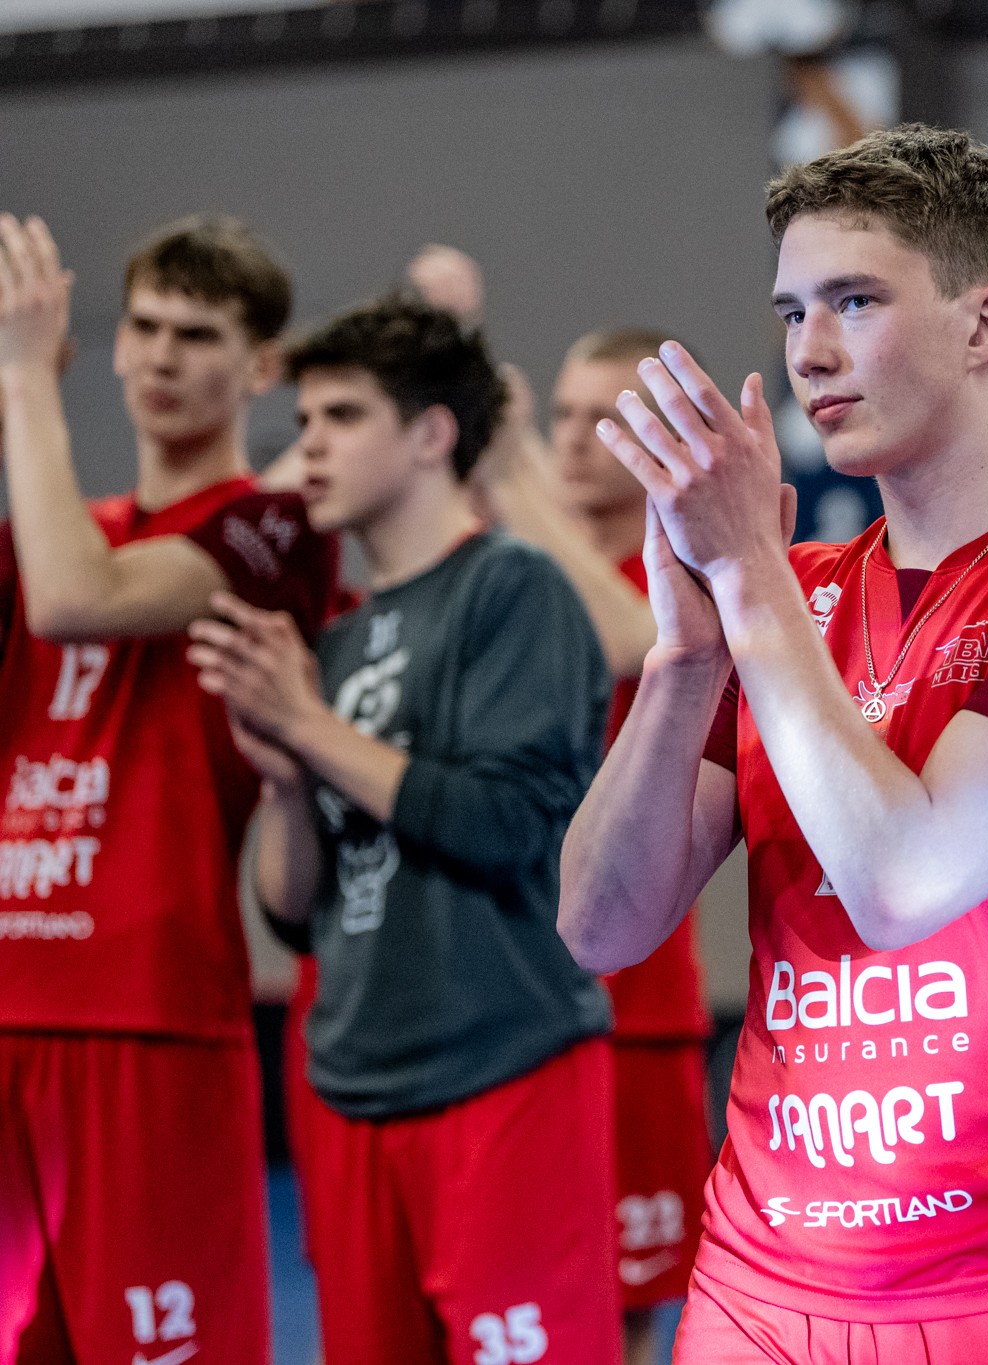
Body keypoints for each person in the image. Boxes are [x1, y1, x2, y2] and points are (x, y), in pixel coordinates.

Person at [557, 124, 988, 1363]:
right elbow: (599, 926)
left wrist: (748, 580)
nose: (808, 351)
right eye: (790, 312)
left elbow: (901, 882)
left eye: (854, 302)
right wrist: (686, 661)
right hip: (758, 1283)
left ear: (983, 324)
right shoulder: (791, 599)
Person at [188, 294, 621, 1363]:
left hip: (503, 1071)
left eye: (341, 416)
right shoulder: (334, 641)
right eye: (305, 420)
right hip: (356, 1084)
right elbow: (295, 916)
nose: (309, 446)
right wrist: (287, 784)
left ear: (430, 434)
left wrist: (308, 727)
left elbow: (506, 822)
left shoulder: (512, 586)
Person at [0, 213, 335, 1364]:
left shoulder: (275, 529)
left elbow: (77, 601)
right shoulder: (52, 532)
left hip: (153, 1015)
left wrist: (23, 380)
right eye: (142, 327)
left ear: (260, 365)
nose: (157, 356)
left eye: (195, 335)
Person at [475, 324, 716, 1353]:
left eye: (602, 420)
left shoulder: (685, 577)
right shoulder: (511, 577)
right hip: (500, 1014)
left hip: (635, 1010)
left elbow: (626, 632)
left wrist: (504, 462)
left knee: (625, 1325)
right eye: (559, 417)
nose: (571, 440)